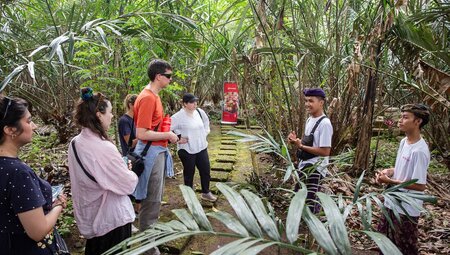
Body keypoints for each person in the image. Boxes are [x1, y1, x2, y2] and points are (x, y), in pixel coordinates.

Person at [68, 88, 138, 255]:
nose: (112, 116)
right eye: (110, 112)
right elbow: (128, 185)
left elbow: (91, 175)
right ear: (99, 114)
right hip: (111, 220)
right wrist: (128, 172)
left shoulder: (75, 143)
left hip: (91, 217)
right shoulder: (104, 147)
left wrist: (118, 170)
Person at [0, 96, 68, 254]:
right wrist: (58, 205)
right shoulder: (18, 173)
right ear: (10, 130)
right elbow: (38, 231)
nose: (35, 126)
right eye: (29, 121)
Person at [132, 59, 178, 254]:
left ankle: (150, 243)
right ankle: (148, 249)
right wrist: (167, 135)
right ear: (158, 77)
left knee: (154, 200)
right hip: (150, 153)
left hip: (157, 151)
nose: (170, 79)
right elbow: (141, 133)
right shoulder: (148, 98)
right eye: (168, 76)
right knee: (151, 201)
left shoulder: (154, 96)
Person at [375, 103, 430, 255]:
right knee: (384, 242)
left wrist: (390, 182)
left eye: (405, 118)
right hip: (391, 202)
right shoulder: (403, 142)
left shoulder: (420, 151)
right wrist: (388, 172)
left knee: (405, 247)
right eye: (401, 117)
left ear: (418, 122)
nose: (400, 121)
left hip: (406, 208)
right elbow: (399, 169)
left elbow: (420, 185)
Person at [287, 88, 333, 214]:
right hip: (305, 166)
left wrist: (300, 145)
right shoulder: (309, 120)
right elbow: (309, 143)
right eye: (306, 101)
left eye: (311, 101)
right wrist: (295, 140)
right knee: (299, 199)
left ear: (321, 103)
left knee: (310, 203)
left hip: (316, 169)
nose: (307, 104)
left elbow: (325, 152)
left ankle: (310, 230)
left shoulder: (325, 124)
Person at [171, 93, 217, 202]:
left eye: (195, 101)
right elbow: (167, 129)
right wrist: (178, 138)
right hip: (186, 149)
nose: (195, 104)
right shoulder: (178, 117)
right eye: (192, 102)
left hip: (201, 147)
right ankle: (190, 198)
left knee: (205, 170)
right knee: (189, 173)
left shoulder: (199, 112)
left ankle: (206, 192)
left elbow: (206, 123)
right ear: (185, 104)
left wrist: (204, 133)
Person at [118, 94, 141, 217]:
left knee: (140, 182)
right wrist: (144, 135)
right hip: (131, 157)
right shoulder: (124, 121)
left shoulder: (137, 119)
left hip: (140, 155)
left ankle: (138, 210)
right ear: (131, 105)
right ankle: (131, 213)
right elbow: (129, 143)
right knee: (132, 185)